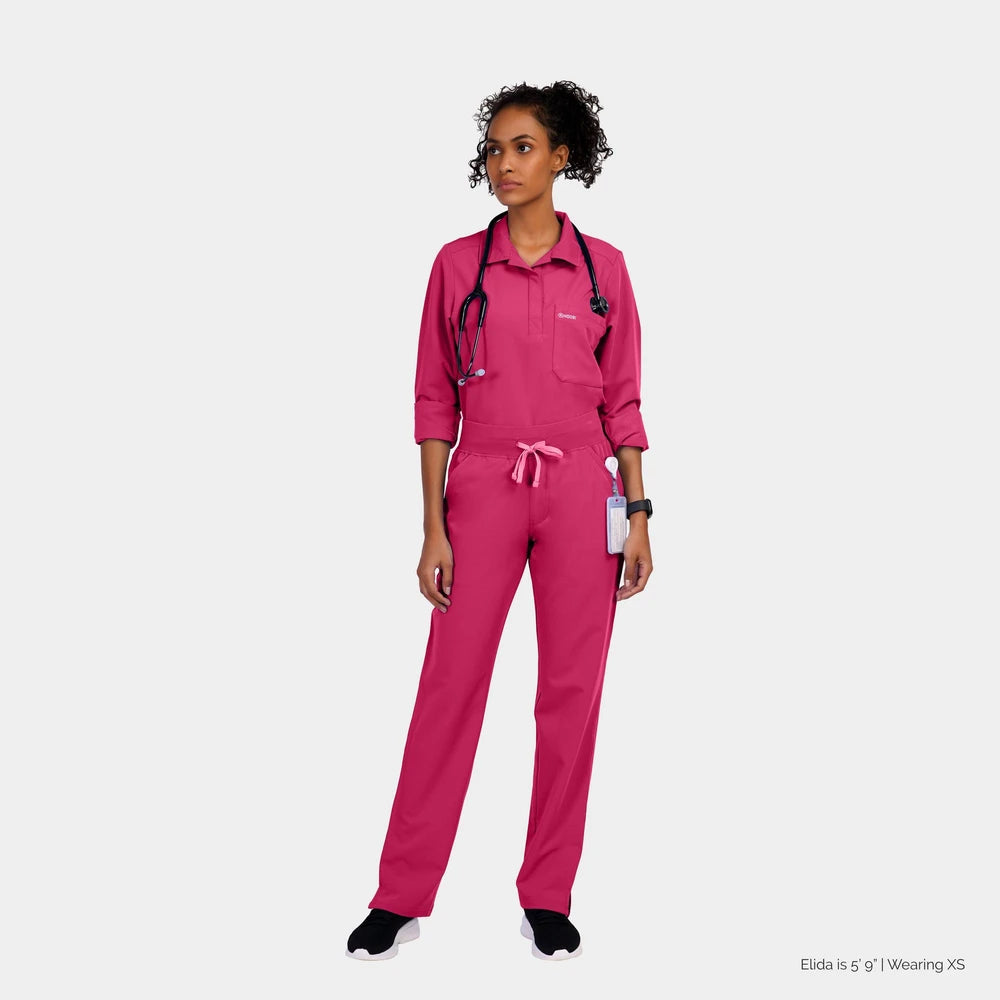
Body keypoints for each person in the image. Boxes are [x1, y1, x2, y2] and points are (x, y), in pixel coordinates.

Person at [346, 80, 654, 962]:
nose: (503, 164)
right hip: (481, 487)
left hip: (581, 491)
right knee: (449, 688)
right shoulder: (457, 266)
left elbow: (624, 401)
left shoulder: (604, 270)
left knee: (571, 695)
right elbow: (432, 400)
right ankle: (401, 894)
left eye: (523, 147)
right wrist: (433, 526)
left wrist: (636, 513)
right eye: (494, 149)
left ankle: (547, 894)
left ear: (563, 157)